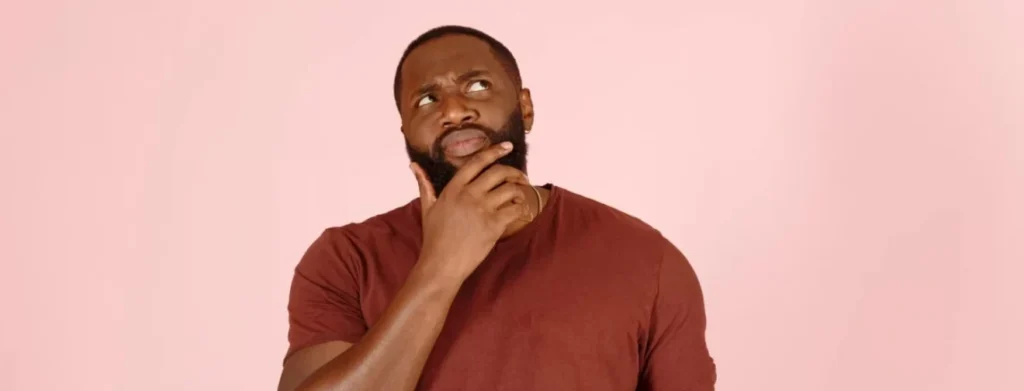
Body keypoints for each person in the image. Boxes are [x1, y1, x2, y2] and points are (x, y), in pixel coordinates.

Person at [277, 25, 717, 391]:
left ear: (524, 108)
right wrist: (440, 269)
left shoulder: (646, 259)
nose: (454, 110)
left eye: (478, 85)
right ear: (406, 130)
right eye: (427, 99)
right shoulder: (345, 261)